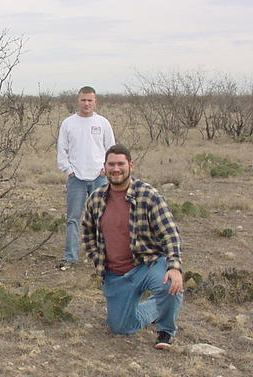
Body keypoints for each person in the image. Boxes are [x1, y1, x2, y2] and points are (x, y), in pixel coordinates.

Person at [81, 145, 183, 349]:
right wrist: (97, 258)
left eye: (121, 164)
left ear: (130, 165)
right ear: (105, 167)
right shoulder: (96, 199)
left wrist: (174, 267)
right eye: (111, 164)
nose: (116, 169)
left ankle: (165, 331)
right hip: (116, 273)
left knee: (169, 285)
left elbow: (169, 233)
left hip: (146, 264)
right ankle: (155, 308)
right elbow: (87, 232)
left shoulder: (148, 195)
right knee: (120, 327)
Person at [57, 86, 115, 270]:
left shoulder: (103, 123)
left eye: (90, 100)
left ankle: (103, 256)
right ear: (78, 101)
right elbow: (62, 150)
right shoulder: (68, 123)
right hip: (77, 178)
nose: (86, 103)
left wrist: (106, 169)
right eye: (83, 100)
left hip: (99, 178)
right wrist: (69, 170)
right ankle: (71, 256)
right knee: (73, 218)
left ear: (95, 101)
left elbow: (111, 149)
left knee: (102, 218)